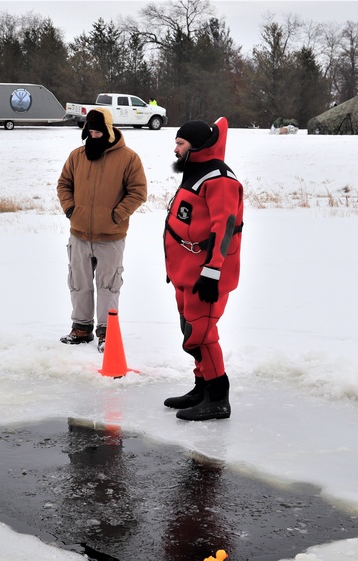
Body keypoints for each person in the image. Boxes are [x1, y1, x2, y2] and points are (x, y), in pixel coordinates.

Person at [162, 118, 244, 421]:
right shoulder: (197, 171)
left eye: (180, 144)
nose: (175, 149)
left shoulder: (220, 179)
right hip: (185, 272)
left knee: (201, 335)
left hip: (205, 275)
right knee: (190, 331)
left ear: (195, 147)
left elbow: (225, 226)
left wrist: (212, 271)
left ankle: (218, 399)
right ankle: (202, 387)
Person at [57, 108, 147, 351]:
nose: (93, 136)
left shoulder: (128, 158)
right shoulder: (77, 156)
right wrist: (70, 210)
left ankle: (107, 331)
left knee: (109, 285)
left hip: (111, 236)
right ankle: (81, 328)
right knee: (79, 283)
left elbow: (138, 192)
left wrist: (115, 216)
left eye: (98, 132)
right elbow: (64, 184)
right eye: (90, 132)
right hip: (79, 234)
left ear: (108, 131)